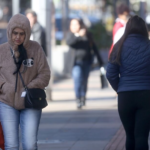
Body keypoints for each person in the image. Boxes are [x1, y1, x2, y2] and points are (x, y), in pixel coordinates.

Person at [0, 14, 50, 150]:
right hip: (7, 103)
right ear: (10, 32)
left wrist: (29, 88)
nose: (18, 37)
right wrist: (5, 86)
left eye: (22, 34)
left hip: (30, 102)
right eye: (15, 33)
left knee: (30, 145)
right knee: (11, 145)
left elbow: (45, 74)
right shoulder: (2, 50)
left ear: (27, 33)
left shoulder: (36, 48)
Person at [106, 15, 150, 150]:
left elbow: (110, 73)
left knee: (130, 135)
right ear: (144, 29)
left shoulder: (118, 46)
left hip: (125, 97)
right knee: (142, 136)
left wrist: (120, 88)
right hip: (146, 95)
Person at [66, 18, 103, 109]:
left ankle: (83, 97)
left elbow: (94, 47)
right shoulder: (71, 35)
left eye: (76, 24)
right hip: (76, 63)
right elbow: (70, 43)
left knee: (84, 81)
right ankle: (78, 98)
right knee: (77, 79)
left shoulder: (88, 34)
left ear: (80, 25)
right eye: (72, 25)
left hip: (87, 62)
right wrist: (79, 36)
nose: (74, 26)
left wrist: (100, 61)